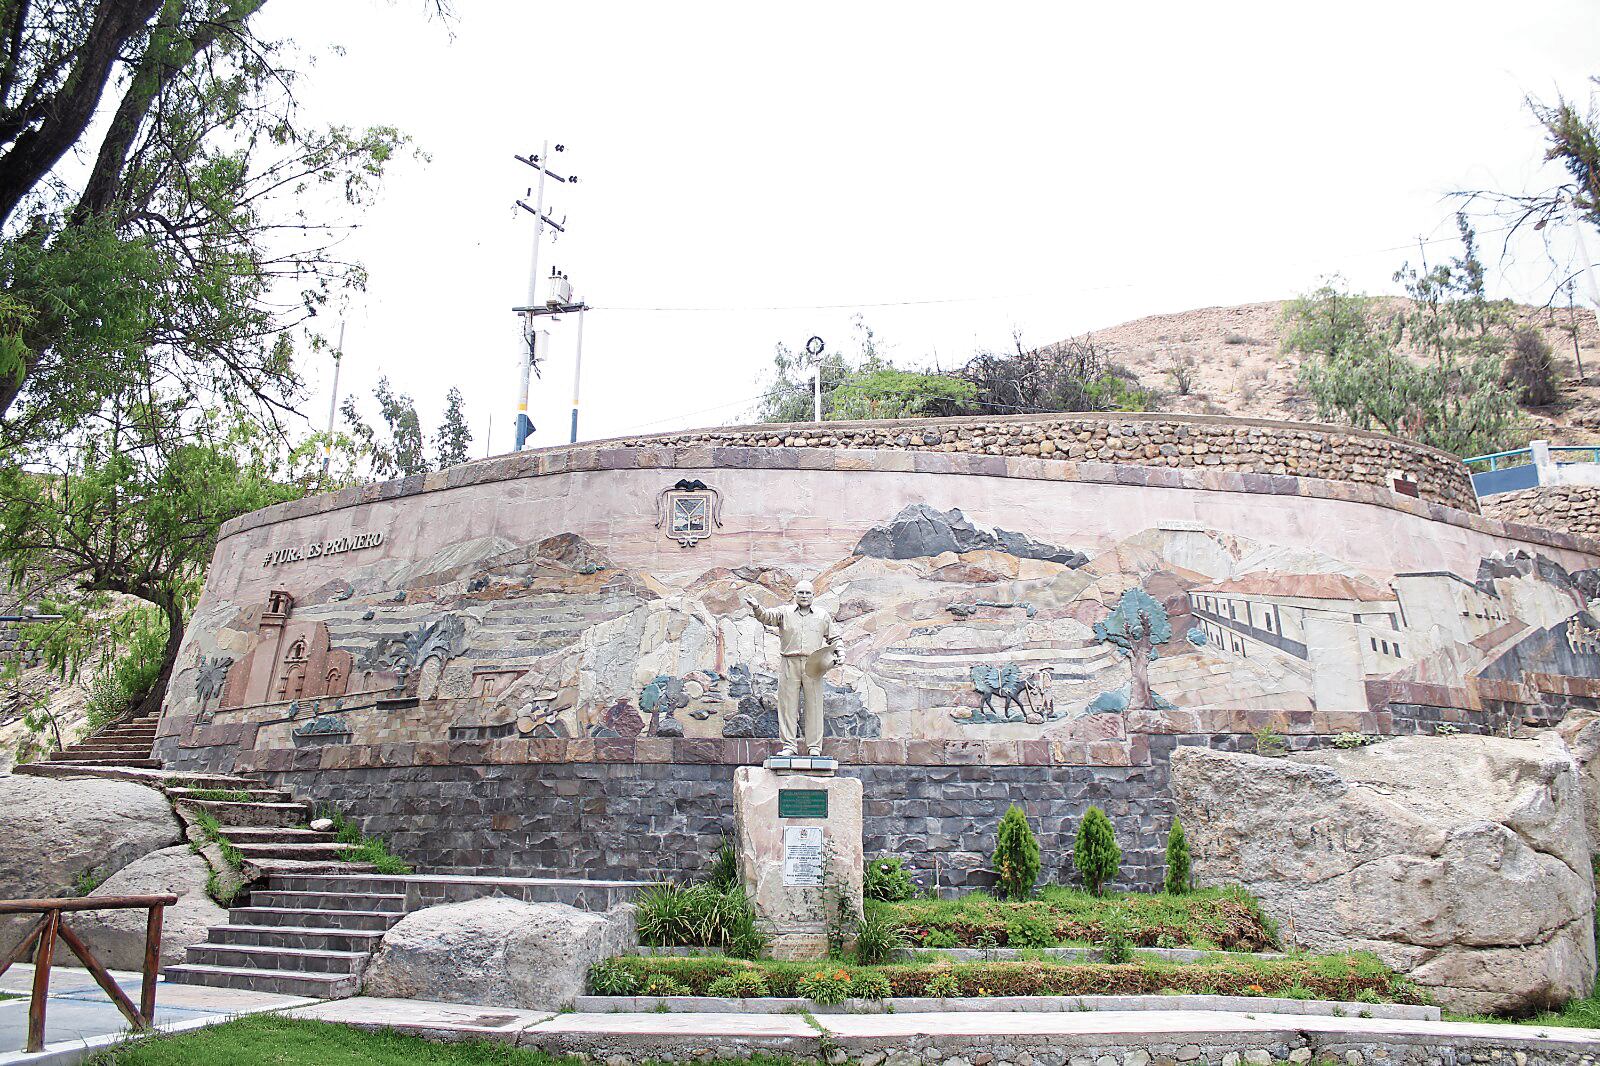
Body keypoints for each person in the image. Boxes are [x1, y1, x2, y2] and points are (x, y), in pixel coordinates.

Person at [743, 581, 839, 757]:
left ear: (813, 596)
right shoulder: (784, 612)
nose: (804, 596)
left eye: (808, 593)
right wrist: (757, 607)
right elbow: (766, 616)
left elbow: (834, 638)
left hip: (814, 663)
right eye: (800, 592)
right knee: (787, 706)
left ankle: (814, 747)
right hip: (789, 662)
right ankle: (789, 746)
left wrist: (841, 653)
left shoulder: (822, 615)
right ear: (795, 594)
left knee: (815, 706)